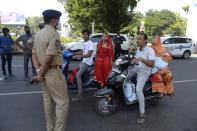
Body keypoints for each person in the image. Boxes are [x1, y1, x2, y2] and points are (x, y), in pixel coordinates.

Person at [32, 9, 69, 131]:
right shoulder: (53, 34)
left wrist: (39, 72)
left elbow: (34, 55)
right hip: (53, 72)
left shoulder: (38, 34)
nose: (58, 22)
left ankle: (50, 128)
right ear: (54, 20)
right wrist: (40, 74)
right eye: (58, 20)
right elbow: (49, 58)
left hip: (43, 73)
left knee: (48, 102)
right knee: (62, 102)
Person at [124, 33, 155, 124]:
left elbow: (152, 64)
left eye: (139, 39)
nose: (137, 40)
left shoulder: (150, 50)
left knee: (138, 90)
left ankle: (142, 113)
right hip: (136, 69)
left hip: (144, 72)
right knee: (123, 78)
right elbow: (136, 59)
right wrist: (130, 58)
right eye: (137, 38)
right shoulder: (138, 49)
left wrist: (141, 59)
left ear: (145, 41)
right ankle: (128, 97)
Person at [72, 29, 94, 102]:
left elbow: (88, 54)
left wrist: (79, 56)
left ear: (88, 35)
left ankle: (79, 94)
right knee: (73, 70)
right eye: (83, 34)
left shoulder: (90, 43)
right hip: (83, 61)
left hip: (87, 62)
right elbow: (83, 51)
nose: (84, 36)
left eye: (86, 34)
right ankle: (80, 85)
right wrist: (74, 53)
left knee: (78, 75)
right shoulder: (84, 42)